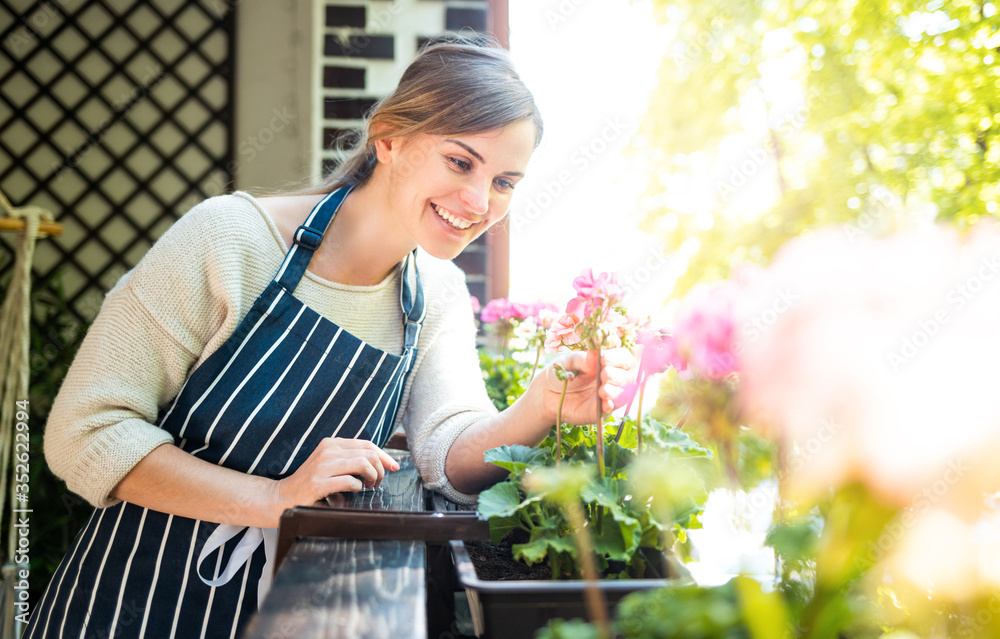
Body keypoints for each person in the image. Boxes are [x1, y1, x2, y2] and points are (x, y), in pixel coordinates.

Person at [27, 40, 632, 638]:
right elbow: (85, 431)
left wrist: (541, 405)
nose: (479, 203)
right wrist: (275, 498)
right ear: (389, 139)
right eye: (460, 162)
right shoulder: (230, 240)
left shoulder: (437, 293)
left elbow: (447, 456)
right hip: (132, 604)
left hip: (301, 613)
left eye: (505, 181)